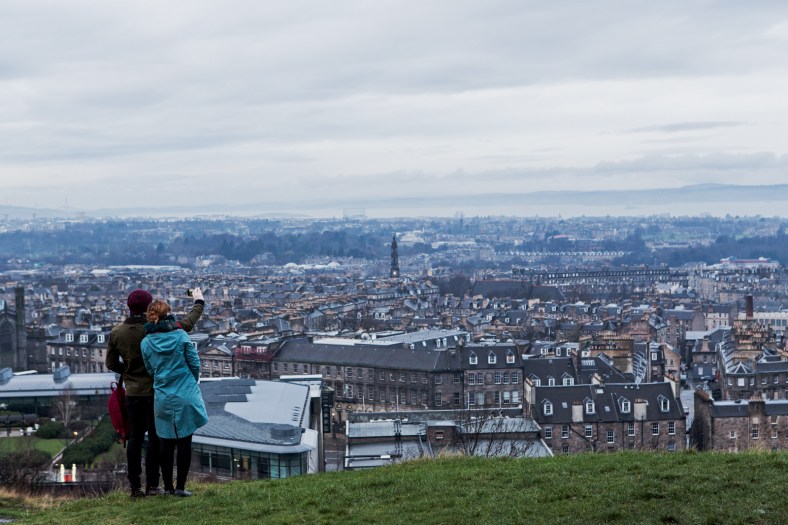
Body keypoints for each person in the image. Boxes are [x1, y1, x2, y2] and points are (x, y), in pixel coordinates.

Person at [106, 288, 205, 498]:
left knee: (133, 439)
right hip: (157, 391)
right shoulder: (159, 329)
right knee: (157, 439)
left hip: (133, 392)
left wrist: (128, 371)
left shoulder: (117, 333)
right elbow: (187, 324)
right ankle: (154, 485)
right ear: (149, 308)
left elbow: (111, 363)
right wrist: (198, 302)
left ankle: (135, 487)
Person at [141, 298, 209, 497]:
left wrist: (161, 380)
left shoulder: (146, 342)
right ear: (168, 313)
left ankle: (168, 488)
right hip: (185, 392)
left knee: (166, 443)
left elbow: (150, 369)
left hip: (163, 396)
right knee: (185, 441)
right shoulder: (180, 336)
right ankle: (180, 487)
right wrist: (190, 381)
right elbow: (194, 363)